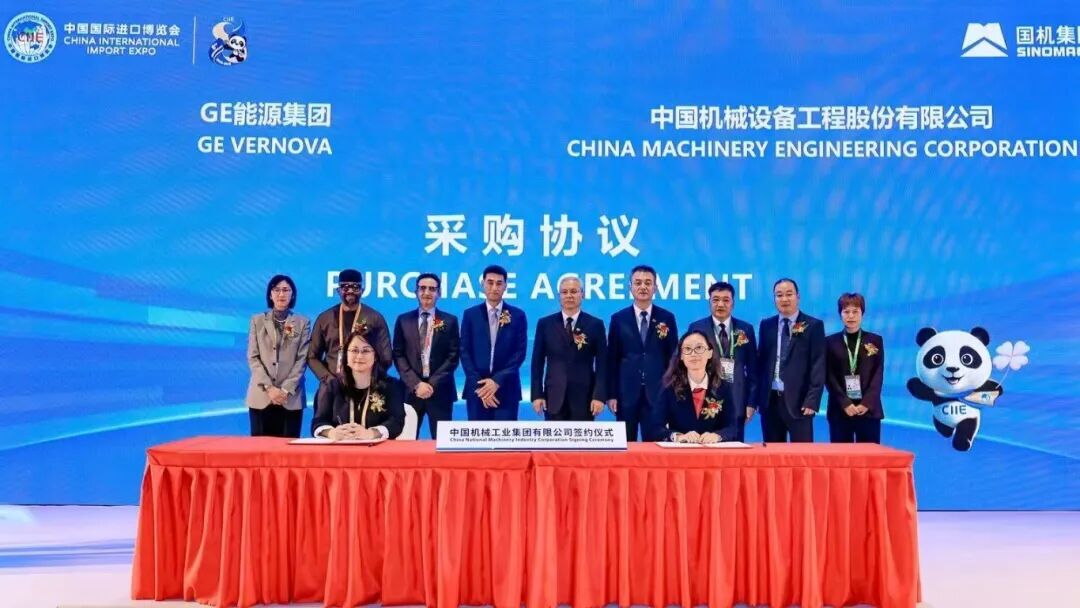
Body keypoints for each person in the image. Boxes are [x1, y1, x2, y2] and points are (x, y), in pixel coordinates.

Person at [606, 265, 678, 440]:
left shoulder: (667, 318)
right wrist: (612, 394)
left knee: (655, 445)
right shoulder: (618, 319)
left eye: (648, 283)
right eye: (638, 283)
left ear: (655, 287)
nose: (643, 287)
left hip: (657, 393)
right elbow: (612, 360)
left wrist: (672, 392)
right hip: (626, 393)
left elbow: (674, 359)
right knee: (625, 444)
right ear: (630, 287)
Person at [308, 268, 392, 406]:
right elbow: (312, 356)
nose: (350, 291)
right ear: (338, 290)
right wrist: (329, 379)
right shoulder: (325, 318)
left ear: (362, 290)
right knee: (325, 419)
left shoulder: (374, 318)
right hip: (331, 386)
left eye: (355, 287)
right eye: (345, 287)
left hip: (366, 387)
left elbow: (386, 357)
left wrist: (368, 378)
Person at [755, 278, 825, 443]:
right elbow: (761, 362)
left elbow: (818, 364)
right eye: (779, 295)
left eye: (789, 294)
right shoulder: (767, 325)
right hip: (770, 402)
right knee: (773, 454)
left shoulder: (813, 325)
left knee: (802, 454)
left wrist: (812, 400)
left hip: (800, 402)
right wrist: (758, 398)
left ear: (798, 296)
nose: (784, 299)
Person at [392, 273, 460, 438]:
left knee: (442, 442)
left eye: (432, 289)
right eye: (422, 288)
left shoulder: (450, 321)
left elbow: (453, 356)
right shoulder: (403, 320)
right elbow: (398, 355)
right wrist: (416, 384)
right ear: (416, 292)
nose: (427, 293)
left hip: (440, 390)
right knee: (407, 441)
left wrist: (432, 384)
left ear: (439, 293)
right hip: (411, 391)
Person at [530, 276, 607, 421]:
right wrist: (536, 395)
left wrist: (599, 396)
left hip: (585, 398)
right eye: (564, 292)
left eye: (574, 291)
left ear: (582, 294)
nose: (569, 296)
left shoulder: (595, 325)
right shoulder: (545, 324)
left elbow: (602, 365)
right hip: (553, 397)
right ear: (559, 296)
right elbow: (537, 363)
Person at [688, 281, 757, 441]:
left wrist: (751, 403)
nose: (720, 304)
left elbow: (753, 370)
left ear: (733, 303)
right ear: (709, 302)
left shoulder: (745, 329)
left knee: (734, 449)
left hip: (737, 402)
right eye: (716, 300)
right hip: (704, 401)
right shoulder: (696, 328)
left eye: (726, 300)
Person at [245, 274, 311, 437]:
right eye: (276, 290)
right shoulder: (257, 321)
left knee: (288, 448)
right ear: (270, 294)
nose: (281, 294)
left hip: (291, 397)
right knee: (260, 449)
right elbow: (253, 357)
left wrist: (285, 390)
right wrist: (269, 388)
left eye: (286, 290)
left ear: (292, 295)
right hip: (261, 395)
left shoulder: (302, 322)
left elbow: (302, 359)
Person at [459, 265, 528, 421]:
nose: (494, 287)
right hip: (477, 390)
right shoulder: (470, 315)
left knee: (505, 437)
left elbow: (519, 353)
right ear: (483, 284)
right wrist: (481, 387)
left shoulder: (517, 315)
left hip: (507, 389)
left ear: (505, 286)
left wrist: (497, 381)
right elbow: (464, 351)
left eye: (499, 283)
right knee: (477, 437)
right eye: (490, 283)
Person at [312, 330, 405, 440]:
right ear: (346, 355)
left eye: (366, 351)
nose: (359, 356)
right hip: (340, 448)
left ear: (375, 356)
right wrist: (331, 433)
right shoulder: (332, 386)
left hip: (376, 448)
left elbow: (396, 422)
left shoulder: (391, 386)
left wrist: (371, 433)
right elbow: (318, 421)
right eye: (354, 350)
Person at [647, 330, 737, 443]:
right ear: (681, 356)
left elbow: (732, 428)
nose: (693, 354)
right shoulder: (670, 387)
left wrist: (717, 436)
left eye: (699, 348)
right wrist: (677, 436)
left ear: (710, 353)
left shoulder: (722, 387)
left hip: (713, 451)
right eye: (687, 349)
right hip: (680, 451)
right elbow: (654, 428)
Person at [825, 292, 885, 443]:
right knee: (841, 455)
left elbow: (878, 374)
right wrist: (845, 403)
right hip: (840, 409)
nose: (851, 316)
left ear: (862, 313)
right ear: (840, 314)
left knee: (869, 455)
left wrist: (866, 403)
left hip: (869, 409)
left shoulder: (875, 340)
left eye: (855, 311)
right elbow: (828, 376)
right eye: (846, 312)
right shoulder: (829, 342)